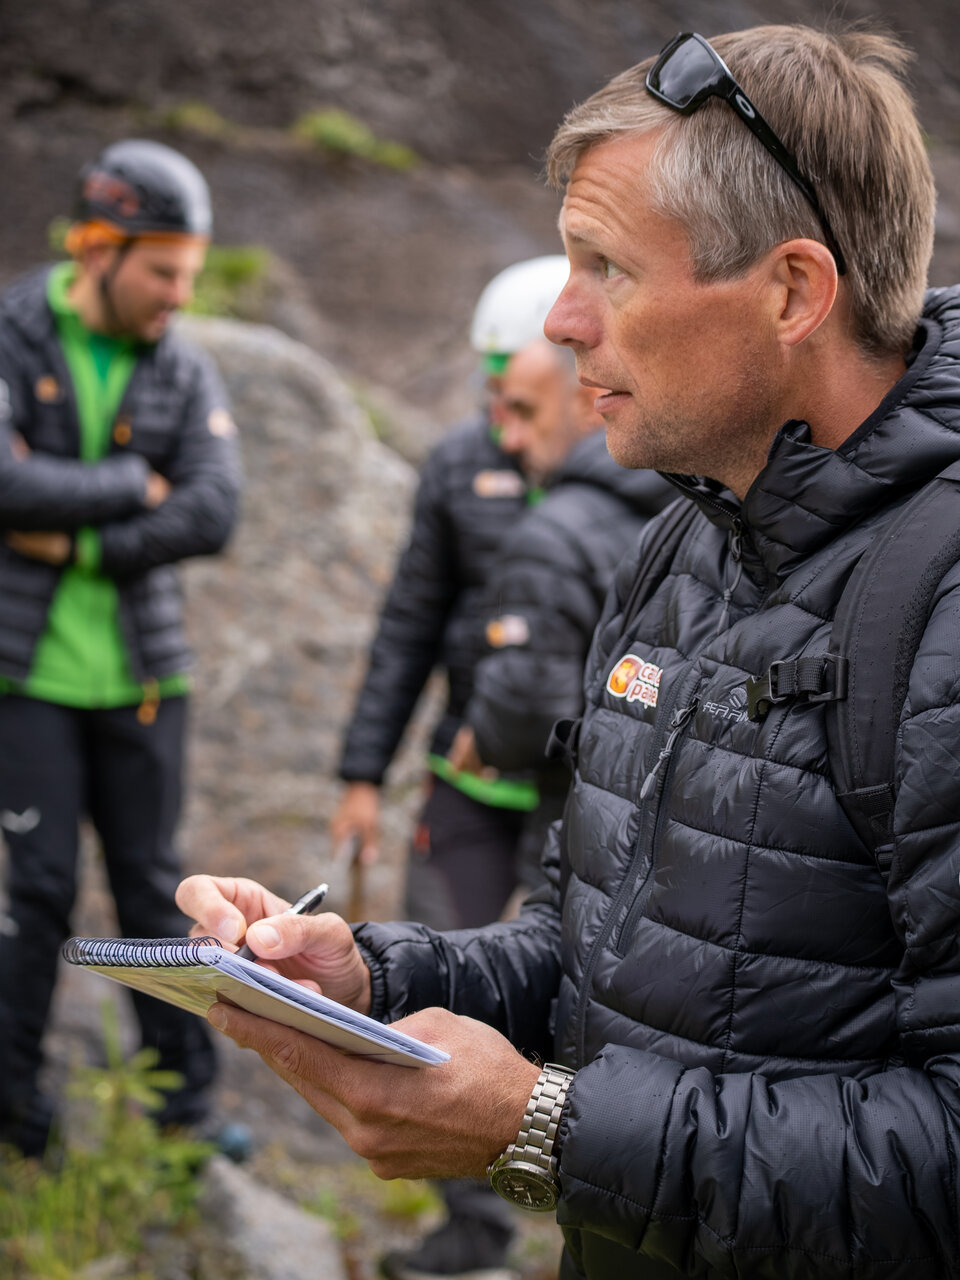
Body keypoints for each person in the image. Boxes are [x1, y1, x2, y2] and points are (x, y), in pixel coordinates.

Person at [176, 23, 960, 1279]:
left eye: (608, 267)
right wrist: (373, 974)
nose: (561, 319)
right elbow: (594, 946)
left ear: (794, 292)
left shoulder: (942, 602)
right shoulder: (678, 551)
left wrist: (545, 1125)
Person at [0, 139, 242, 1157]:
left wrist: (75, 529)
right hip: (30, 679)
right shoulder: (13, 329)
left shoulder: (182, 364)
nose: (177, 299)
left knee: (155, 888)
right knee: (39, 888)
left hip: (146, 677)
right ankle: (18, 1117)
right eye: (161, 274)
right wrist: (129, 484)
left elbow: (214, 510)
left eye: (189, 277)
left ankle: (186, 1112)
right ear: (99, 248)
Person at [447, 339, 671, 885]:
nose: (510, 438)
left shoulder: (552, 535)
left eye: (526, 411)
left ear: (584, 401)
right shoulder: (692, 509)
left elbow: (526, 708)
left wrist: (486, 733)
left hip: (575, 837)